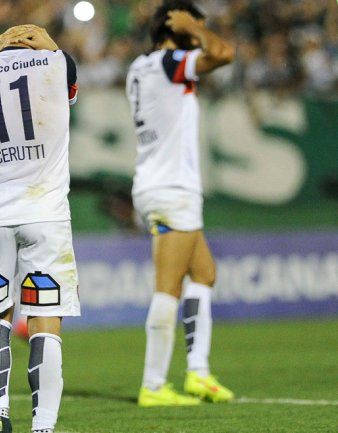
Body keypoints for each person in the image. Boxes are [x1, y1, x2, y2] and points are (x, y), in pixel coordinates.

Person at [0, 25, 81, 433]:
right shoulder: (57, 64)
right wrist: (50, 46)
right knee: (45, 322)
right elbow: (68, 83)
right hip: (44, 214)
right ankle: (43, 427)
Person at [125, 1, 235, 407]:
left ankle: (198, 373)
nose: (202, 30)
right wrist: (194, 28)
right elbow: (223, 54)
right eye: (195, 24)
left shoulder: (144, 67)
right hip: (170, 187)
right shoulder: (166, 62)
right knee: (168, 288)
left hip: (166, 185)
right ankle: (153, 384)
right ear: (175, 26)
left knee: (203, 274)